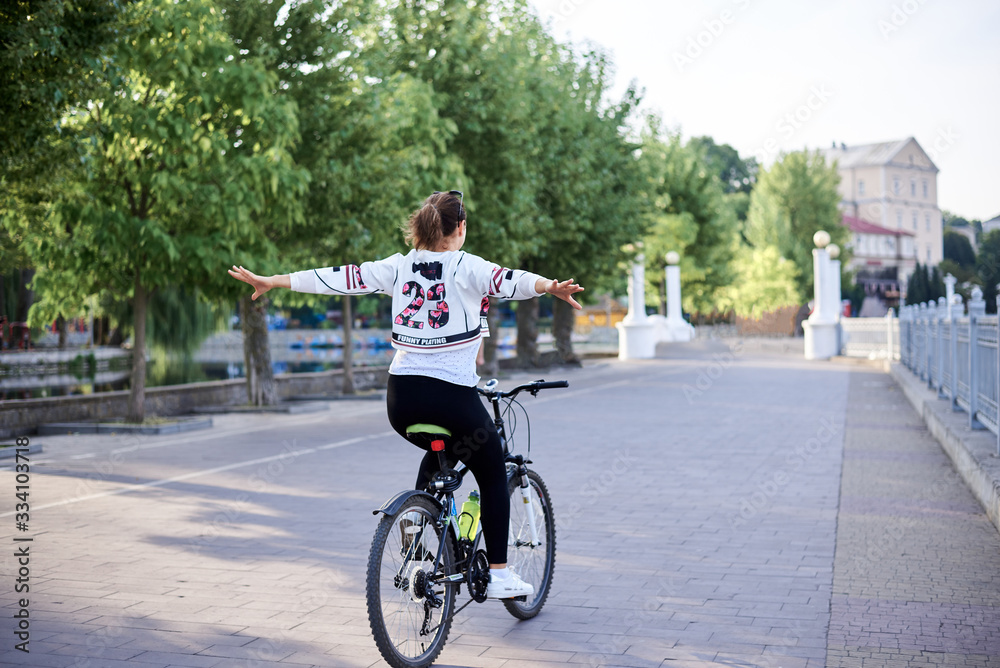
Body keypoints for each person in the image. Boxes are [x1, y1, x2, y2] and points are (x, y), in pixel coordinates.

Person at [229, 190, 583, 598]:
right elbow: (511, 280)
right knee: (491, 468)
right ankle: (501, 573)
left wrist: (273, 280)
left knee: (441, 453)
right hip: (451, 397)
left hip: (401, 401)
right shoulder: (467, 266)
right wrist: (548, 287)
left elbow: (342, 277)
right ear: (460, 228)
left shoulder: (398, 267)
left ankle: (415, 543)